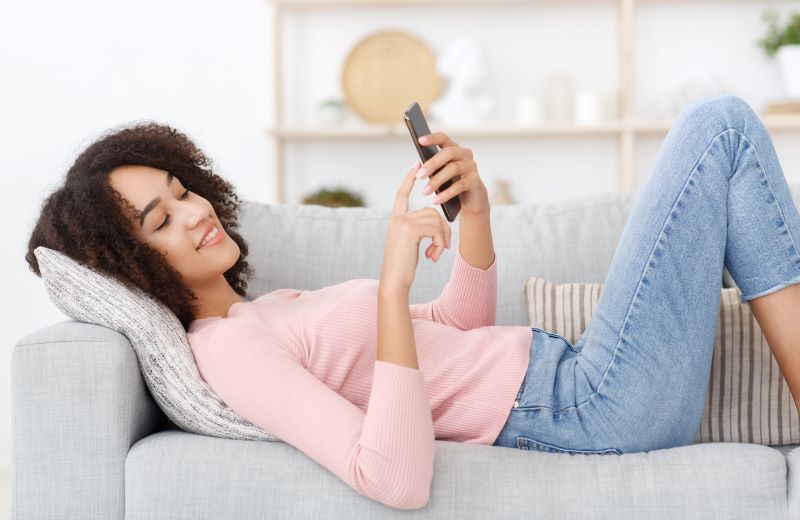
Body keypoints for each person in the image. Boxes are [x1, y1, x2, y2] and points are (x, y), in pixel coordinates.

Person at [24, 95, 800, 510]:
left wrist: (478, 217)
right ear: (130, 263)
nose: (194, 213)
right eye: (160, 221)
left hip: (579, 376)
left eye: (182, 191)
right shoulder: (226, 349)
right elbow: (391, 475)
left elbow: (459, 332)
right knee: (717, 128)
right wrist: (391, 291)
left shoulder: (264, 310)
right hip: (583, 410)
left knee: (720, 136)